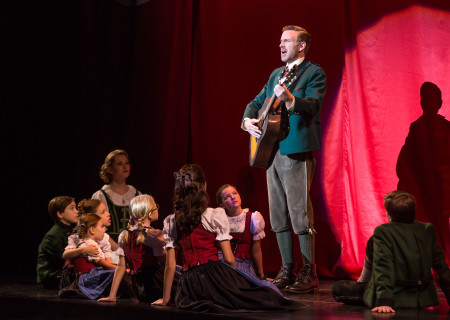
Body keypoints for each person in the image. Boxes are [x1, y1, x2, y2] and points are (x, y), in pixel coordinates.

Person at [242, 25, 327, 293]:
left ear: (301, 46)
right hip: (271, 152)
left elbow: (313, 106)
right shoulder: (276, 74)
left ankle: (308, 272)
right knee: (278, 215)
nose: (281, 45)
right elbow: (256, 103)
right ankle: (286, 269)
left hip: (296, 150)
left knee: (300, 213)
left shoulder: (313, 73)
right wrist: (247, 120)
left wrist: (290, 98)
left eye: (287, 41)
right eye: (280, 41)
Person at [152, 164, 302, 312]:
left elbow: (170, 265)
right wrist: (235, 280)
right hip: (214, 276)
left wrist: (166, 300)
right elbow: (230, 259)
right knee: (261, 293)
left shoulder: (170, 221)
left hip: (189, 285)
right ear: (203, 187)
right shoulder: (213, 215)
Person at [332, 191, 450, 313]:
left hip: (394, 297)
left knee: (338, 288)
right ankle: (363, 283)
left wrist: (384, 301)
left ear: (390, 215)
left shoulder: (383, 232)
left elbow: (384, 267)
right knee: (373, 243)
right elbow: (442, 268)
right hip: (422, 298)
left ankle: (363, 283)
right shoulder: (426, 230)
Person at [99, 194, 178, 303]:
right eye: (156, 207)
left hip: (138, 288)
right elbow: (164, 263)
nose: (158, 209)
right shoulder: (153, 235)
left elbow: (120, 267)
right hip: (154, 283)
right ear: (150, 214)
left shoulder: (124, 235)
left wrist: (112, 296)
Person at [216, 184, 266, 278]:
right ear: (221, 204)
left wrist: (261, 275)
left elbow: (256, 249)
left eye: (235, 193)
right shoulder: (219, 219)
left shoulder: (253, 218)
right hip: (222, 263)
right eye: (227, 197)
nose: (232, 197)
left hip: (243, 265)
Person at [92, 149, 142, 241]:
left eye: (126, 163)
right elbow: (96, 229)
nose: (125, 166)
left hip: (133, 246)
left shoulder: (136, 194)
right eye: (119, 164)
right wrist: (118, 249)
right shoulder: (101, 195)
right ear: (110, 169)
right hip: (109, 247)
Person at [36, 196, 79, 289]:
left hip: (64, 271)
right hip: (53, 276)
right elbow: (64, 258)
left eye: (75, 208)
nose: (77, 211)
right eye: (72, 208)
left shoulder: (70, 230)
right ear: (60, 214)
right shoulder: (54, 235)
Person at [71, 213, 117, 299]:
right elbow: (104, 264)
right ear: (92, 230)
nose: (104, 230)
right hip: (89, 278)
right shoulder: (91, 245)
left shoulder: (90, 242)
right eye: (101, 227)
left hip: (92, 273)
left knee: (117, 270)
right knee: (116, 273)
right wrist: (120, 269)